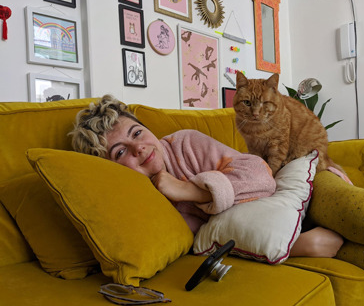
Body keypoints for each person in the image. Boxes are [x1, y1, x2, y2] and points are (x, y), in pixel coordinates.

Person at [69, 95, 343, 258]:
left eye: (137, 133)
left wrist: (190, 191)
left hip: (303, 186)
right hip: (271, 231)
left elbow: (261, 176)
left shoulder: (184, 143)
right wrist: (297, 246)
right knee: (329, 244)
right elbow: (203, 241)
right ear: (110, 167)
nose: (138, 148)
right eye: (120, 152)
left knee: (351, 207)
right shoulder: (135, 195)